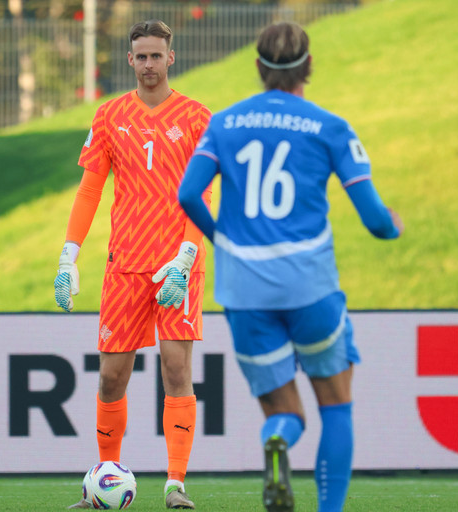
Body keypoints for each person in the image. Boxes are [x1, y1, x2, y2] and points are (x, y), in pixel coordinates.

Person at [178, 21, 404, 512]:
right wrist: (394, 226)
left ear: (258, 67)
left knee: (285, 411)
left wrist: (223, 241)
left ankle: (277, 437)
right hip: (309, 287)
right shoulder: (330, 127)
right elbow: (375, 221)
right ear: (309, 66)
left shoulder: (224, 124)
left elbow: (189, 194)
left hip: (244, 290)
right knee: (335, 404)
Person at [54, 19, 211, 510]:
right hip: (125, 264)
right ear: (129, 60)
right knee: (111, 376)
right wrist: (68, 257)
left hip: (177, 265)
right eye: (140, 56)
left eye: (155, 55)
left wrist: (186, 257)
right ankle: (105, 475)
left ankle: (175, 485)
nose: (148, 64)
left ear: (171, 58)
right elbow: (89, 190)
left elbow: (204, 193)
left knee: (176, 368)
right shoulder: (109, 115)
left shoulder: (196, 117)